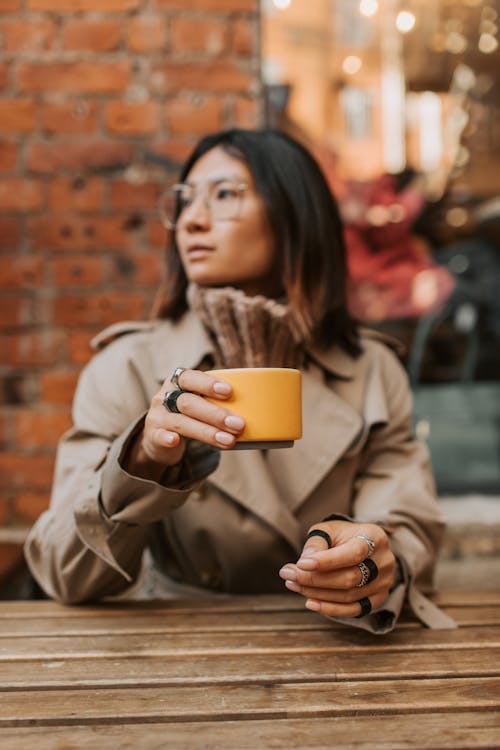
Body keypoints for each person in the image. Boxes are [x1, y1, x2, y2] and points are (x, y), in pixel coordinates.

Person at [24, 128, 455, 633]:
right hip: (177, 647)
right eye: (184, 200)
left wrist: (374, 561)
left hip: (332, 640)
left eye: (225, 195)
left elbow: (407, 525)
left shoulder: (370, 368)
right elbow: (64, 573)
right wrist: (142, 459)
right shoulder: (128, 365)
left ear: (295, 214)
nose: (191, 220)